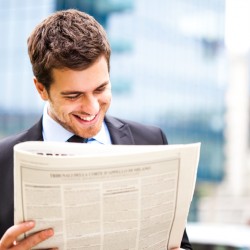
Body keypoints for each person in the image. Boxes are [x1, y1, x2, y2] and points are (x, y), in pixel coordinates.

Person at [0, 9, 192, 250]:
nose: (91, 108)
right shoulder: (3, 160)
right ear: (41, 89)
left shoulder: (152, 140)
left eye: (100, 89)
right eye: (74, 95)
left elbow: (180, 243)